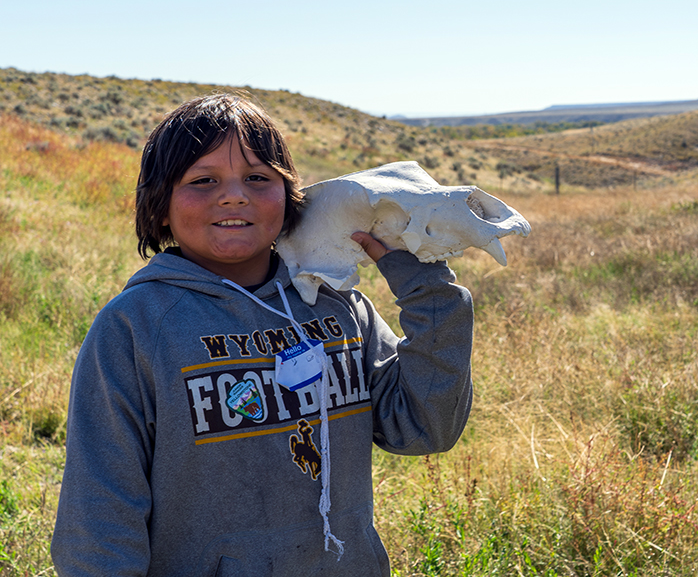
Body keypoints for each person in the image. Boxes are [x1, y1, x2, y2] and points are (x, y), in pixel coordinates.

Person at [51, 94, 474, 577]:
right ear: (160, 206)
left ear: (289, 198)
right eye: (202, 180)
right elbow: (99, 514)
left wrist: (429, 293)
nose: (234, 195)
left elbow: (423, 427)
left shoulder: (337, 307)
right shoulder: (136, 327)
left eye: (258, 177)